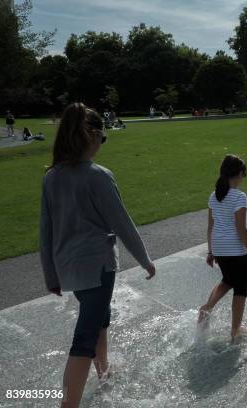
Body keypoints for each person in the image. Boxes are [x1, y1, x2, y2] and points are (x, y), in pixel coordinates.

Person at [39, 103, 156, 407]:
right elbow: (123, 224)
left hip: (69, 268)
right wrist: (145, 260)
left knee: (99, 316)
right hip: (97, 267)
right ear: (91, 135)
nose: (102, 145)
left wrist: (51, 275)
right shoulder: (98, 176)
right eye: (102, 138)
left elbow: (46, 232)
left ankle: (103, 370)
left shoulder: (52, 177)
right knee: (85, 336)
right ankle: (69, 403)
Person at [198, 154, 247, 342]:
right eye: (244, 173)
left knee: (227, 280)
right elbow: (241, 228)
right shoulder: (239, 197)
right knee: (240, 288)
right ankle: (235, 330)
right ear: (238, 174)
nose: (244, 177)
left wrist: (211, 251)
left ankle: (207, 307)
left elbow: (210, 226)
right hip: (234, 249)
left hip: (218, 247)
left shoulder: (214, 195)